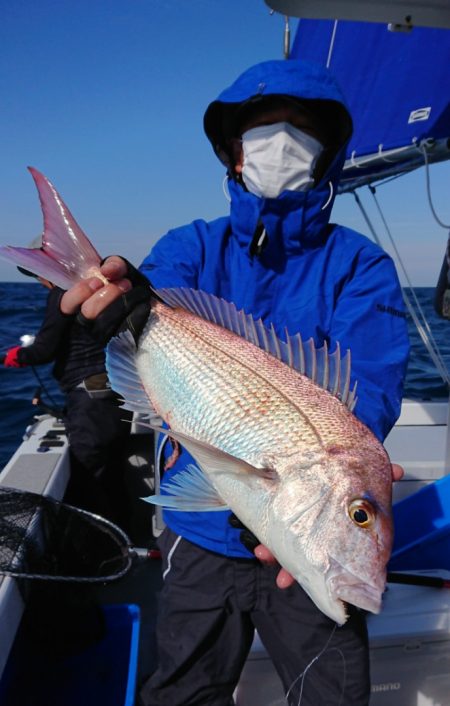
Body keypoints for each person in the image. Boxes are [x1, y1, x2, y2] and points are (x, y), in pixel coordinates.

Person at [60, 59, 410, 706]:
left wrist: (295, 517)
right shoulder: (192, 245)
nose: (281, 141)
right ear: (233, 150)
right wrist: (114, 311)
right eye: (262, 127)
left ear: (330, 152)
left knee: (334, 694)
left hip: (297, 547)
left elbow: (371, 395)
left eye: (303, 127)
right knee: (183, 688)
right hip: (200, 539)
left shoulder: (360, 265)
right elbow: (146, 312)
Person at [3, 269, 133, 531]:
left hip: (89, 399)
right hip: (118, 390)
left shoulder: (61, 294)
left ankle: (103, 548)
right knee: (113, 469)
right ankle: (124, 534)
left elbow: (44, 349)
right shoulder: (99, 292)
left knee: (89, 475)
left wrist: (15, 356)